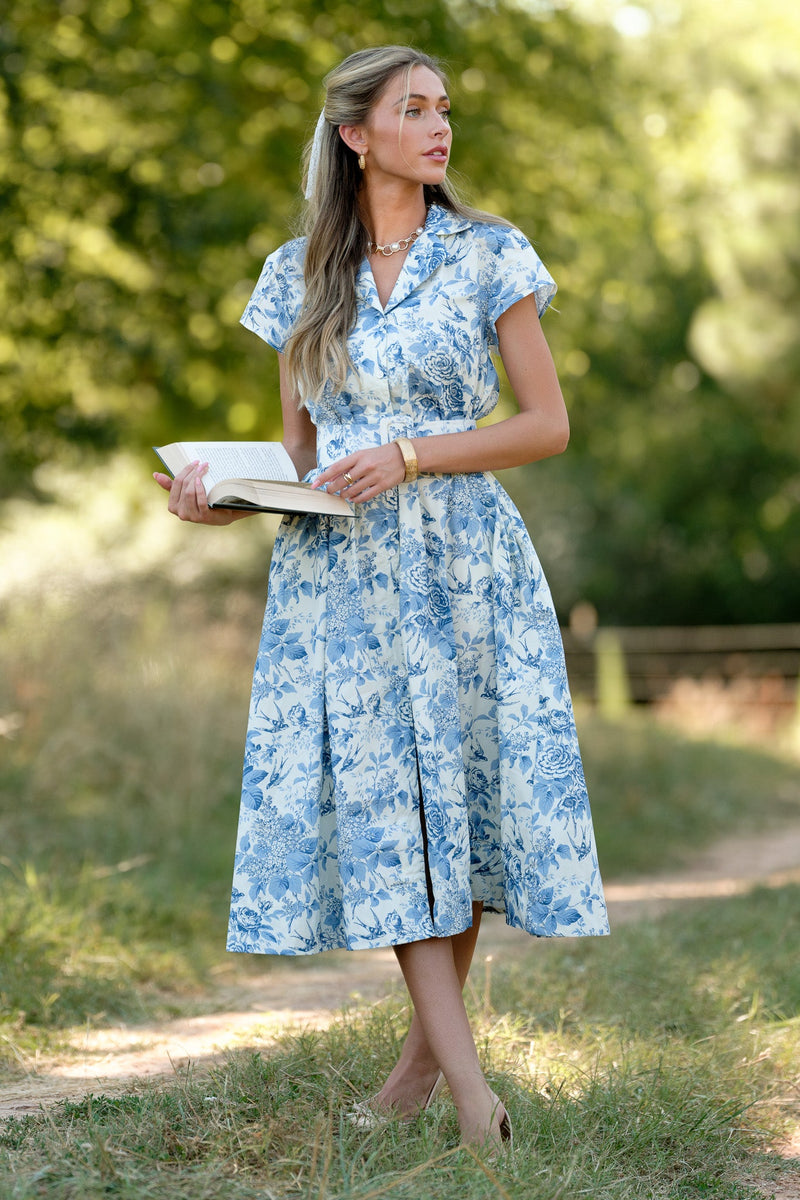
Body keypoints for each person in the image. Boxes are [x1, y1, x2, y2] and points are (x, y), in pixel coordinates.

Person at [154, 44, 609, 1152]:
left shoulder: (489, 254)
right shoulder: (297, 273)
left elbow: (542, 425)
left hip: (464, 566)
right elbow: (298, 455)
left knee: (450, 808)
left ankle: (421, 1075)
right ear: (356, 133)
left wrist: (409, 452)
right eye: (413, 108)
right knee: (389, 815)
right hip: (340, 581)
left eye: (443, 108)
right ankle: (466, 1095)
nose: (439, 126)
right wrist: (217, 501)